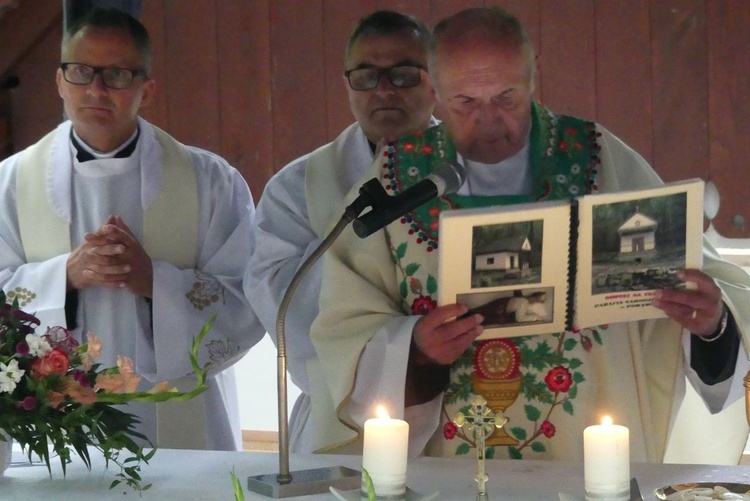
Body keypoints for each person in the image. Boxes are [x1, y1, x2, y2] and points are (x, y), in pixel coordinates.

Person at [309, 6, 750, 463]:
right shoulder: (397, 182)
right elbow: (345, 327)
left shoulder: (598, 159)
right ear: (436, 91)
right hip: (447, 461)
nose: (490, 122)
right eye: (465, 103)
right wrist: (414, 348)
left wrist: (712, 324)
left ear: (534, 76)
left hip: (588, 457)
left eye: (506, 98)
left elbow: (704, 277)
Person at [0, 8, 264, 451]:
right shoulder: (10, 184)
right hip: (50, 428)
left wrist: (153, 282)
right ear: (60, 82)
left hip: (180, 425)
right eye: (82, 72)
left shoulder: (210, 182)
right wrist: (63, 276)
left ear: (147, 88)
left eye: (118, 74)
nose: (97, 89)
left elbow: (248, 301)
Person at [244, 10, 435, 453]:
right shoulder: (297, 186)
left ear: (435, 80)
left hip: (460, 406)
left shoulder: (470, 172)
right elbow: (277, 299)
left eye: (403, 74)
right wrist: (401, 332)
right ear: (347, 83)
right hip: (341, 410)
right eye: (366, 76)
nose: (384, 90)